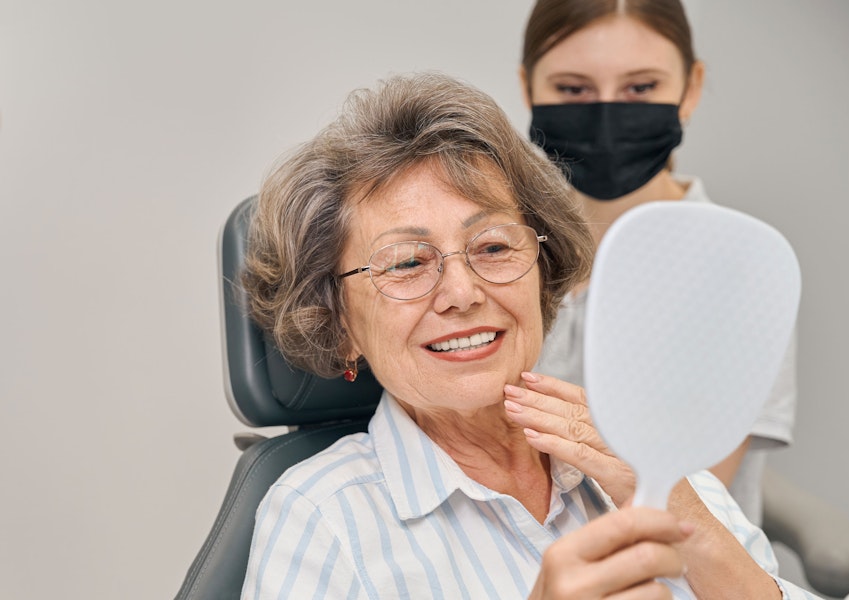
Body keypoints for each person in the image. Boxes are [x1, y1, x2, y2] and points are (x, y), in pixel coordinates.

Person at [239, 72, 818, 598]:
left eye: (493, 247)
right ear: (341, 329)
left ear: (543, 270)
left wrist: (691, 524)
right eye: (407, 264)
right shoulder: (322, 519)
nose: (463, 293)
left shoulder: (643, 455)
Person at [520, 0, 797, 524]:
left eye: (640, 88)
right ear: (527, 86)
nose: (605, 114)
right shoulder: (499, 250)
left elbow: (690, 504)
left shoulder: (741, 266)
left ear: (690, 88)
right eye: (573, 89)